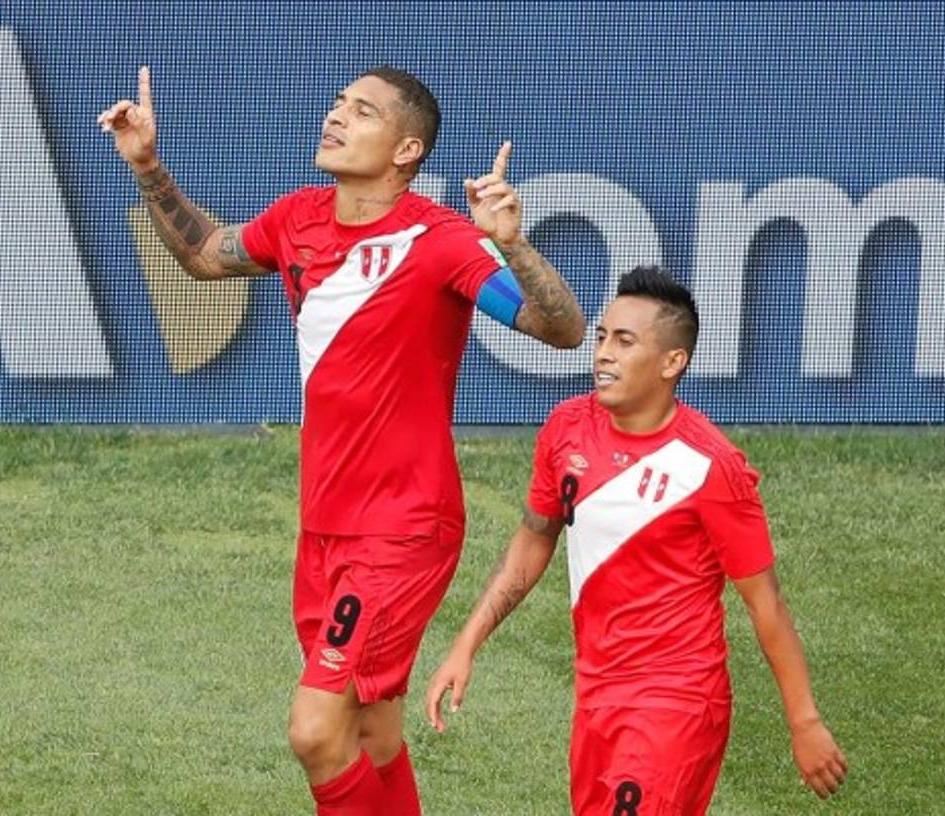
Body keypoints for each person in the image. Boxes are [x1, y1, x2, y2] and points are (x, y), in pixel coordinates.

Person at [97, 65, 585, 815]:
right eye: (336, 104)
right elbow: (203, 256)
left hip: (403, 528)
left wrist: (513, 246)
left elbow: (561, 330)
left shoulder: (441, 242)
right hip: (324, 525)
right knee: (373, 731)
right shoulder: (297, 218)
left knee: (315, 731)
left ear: (406, 149)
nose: (336, 119)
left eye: (362, 112)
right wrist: (149, 167)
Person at [426, 266, 847, 815]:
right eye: (602, 337)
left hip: (677, 705)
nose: (603, 353)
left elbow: (766, 604)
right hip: (597, 696)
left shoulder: (710, 467)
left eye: (625, 342)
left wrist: (805, 721)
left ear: (674, 362)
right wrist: (467, 642)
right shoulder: (566, 430)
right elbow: (534, 540)